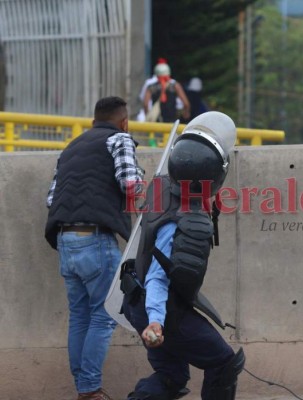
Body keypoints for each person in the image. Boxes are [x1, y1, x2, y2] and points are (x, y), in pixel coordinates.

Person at [121, 111, 245, 400]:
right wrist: (156, 320)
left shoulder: (162, 188)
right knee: (225, 363)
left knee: (171, 377)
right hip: (160, 310)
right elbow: (158, 276)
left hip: (135, 301)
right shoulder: (188, 220)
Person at [45, 96, 145, 400]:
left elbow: (52, 199)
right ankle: (89, 389)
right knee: (105, 314)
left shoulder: (71, 147)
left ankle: (84, 388)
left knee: (80, 316)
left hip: (65, 239)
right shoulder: (119, 139)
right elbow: (130, 185)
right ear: (124, 121)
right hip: (96, 239)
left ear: (92, 122)